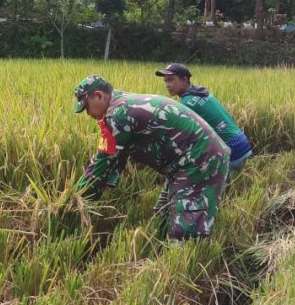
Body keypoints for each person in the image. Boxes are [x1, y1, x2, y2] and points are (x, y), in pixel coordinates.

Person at [73, 74, 230, 240]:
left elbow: (102, 164)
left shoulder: (119, 114)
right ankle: (164, 251)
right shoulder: (121, 103)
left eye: (87, 106)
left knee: (185, 228)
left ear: (98, 95)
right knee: (163, 213)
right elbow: (112, 159)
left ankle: (182, 255)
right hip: (183, 162)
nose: (88, 113)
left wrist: (76, 198)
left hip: (200, 159)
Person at [155, 63, 252, 172]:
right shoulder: (200, 92)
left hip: (231, 149)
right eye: (166, 81)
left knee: (198, 180)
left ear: (184, 80)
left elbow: (181, 136)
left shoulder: (187, 103)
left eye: (171, 80)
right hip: (241, 143)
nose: (167, 85)